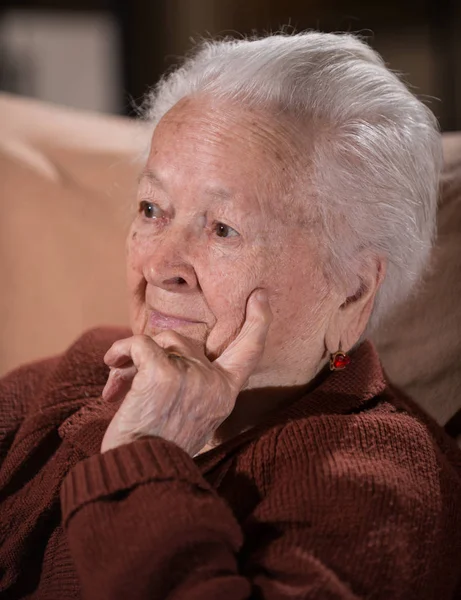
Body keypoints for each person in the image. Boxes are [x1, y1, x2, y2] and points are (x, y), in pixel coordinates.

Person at [1, 31, 460, 600]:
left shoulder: (384, 479)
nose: (161, 265)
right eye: (152, 209)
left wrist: (144, 454)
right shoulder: (79, 372)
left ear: (351, 292)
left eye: (223, 229)